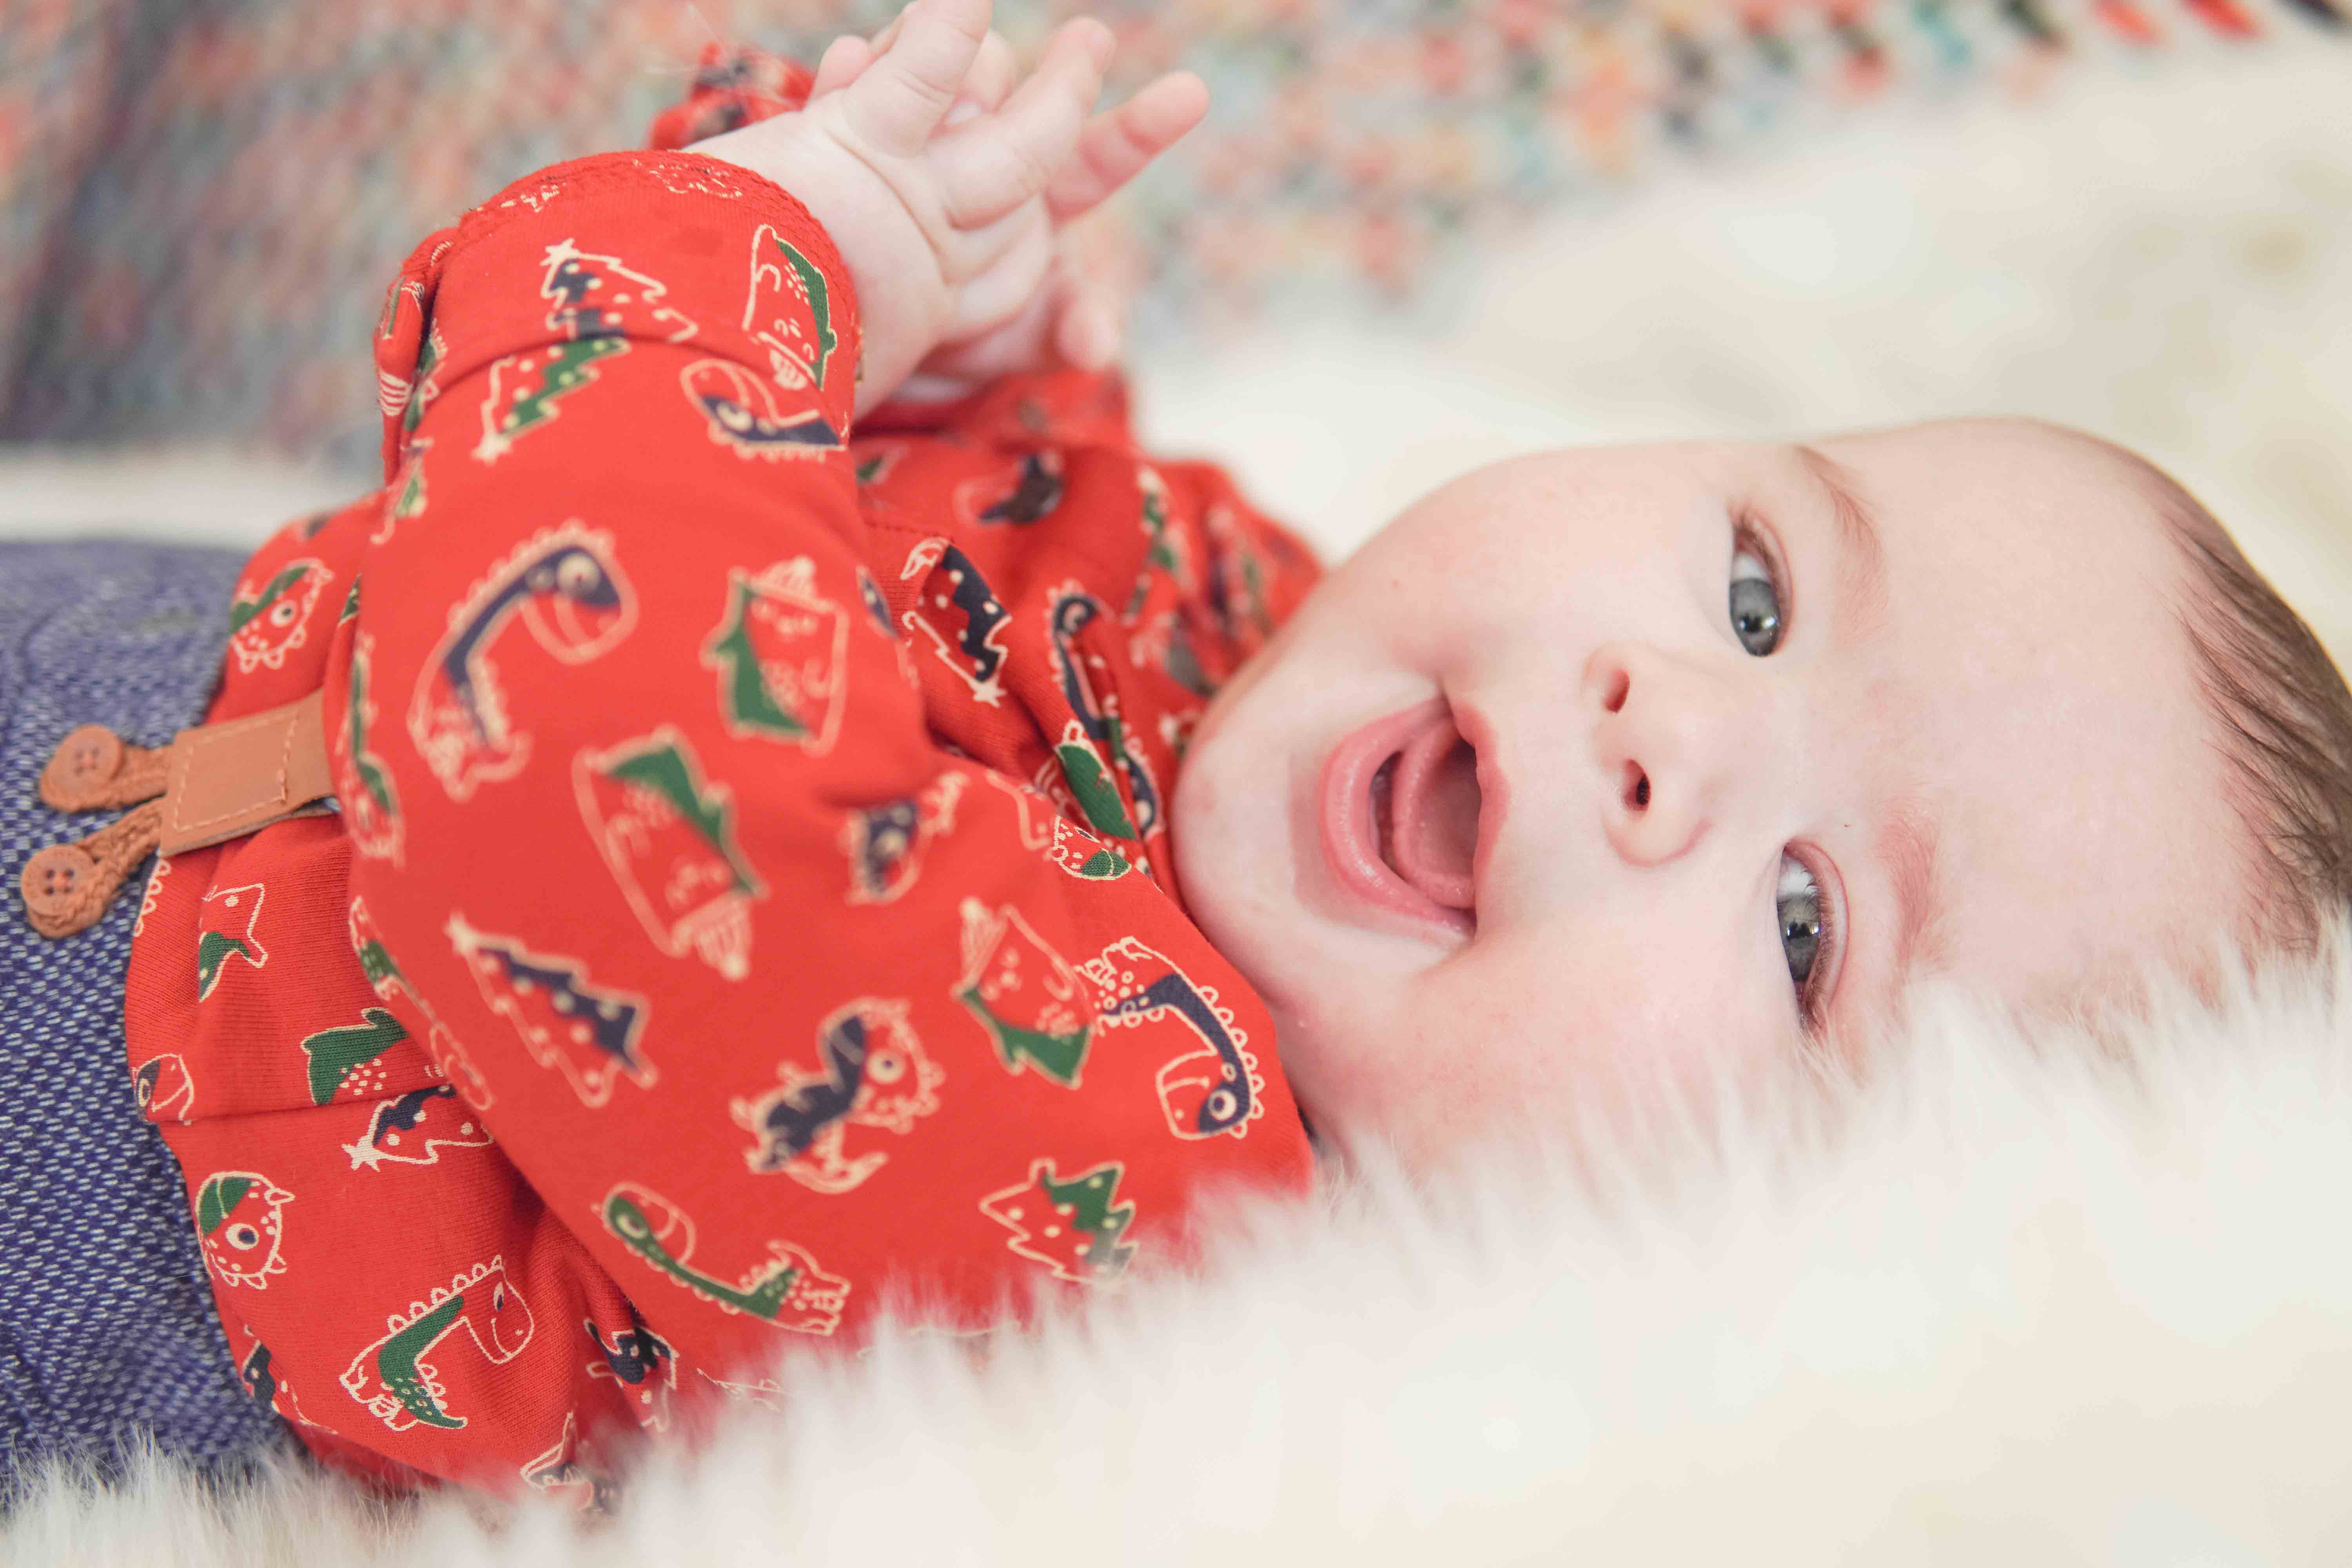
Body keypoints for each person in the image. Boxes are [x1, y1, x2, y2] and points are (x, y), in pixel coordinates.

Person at [11, 0, 2349, 1512]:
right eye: (1756, 586)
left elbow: (612, 774)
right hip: (144, 652)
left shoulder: (1143, 1189)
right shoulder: (1263, 627)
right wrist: (940, 335)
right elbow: (877, 555)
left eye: (1814, 929)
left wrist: (735, 264)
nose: (1675, 729)